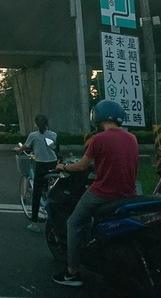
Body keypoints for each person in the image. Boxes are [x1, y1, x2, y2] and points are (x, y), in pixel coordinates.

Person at [52, 100, 138, 287]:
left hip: (102, 193)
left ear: (98, 117)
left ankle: (72, 272)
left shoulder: (98, 139)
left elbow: (81, 166)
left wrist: (63, 166)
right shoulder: (132, 138)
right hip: (128, 193)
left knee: (73, 223)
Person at [13, 114, 58, 233]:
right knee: (52, 189)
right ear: (47, 123)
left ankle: (34, 224)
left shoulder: (33, 135)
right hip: (53, 163)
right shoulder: (53, 135)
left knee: (36, 194)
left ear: (36, 124)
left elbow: (25, 147)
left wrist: (18, 149)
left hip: (41, 165)